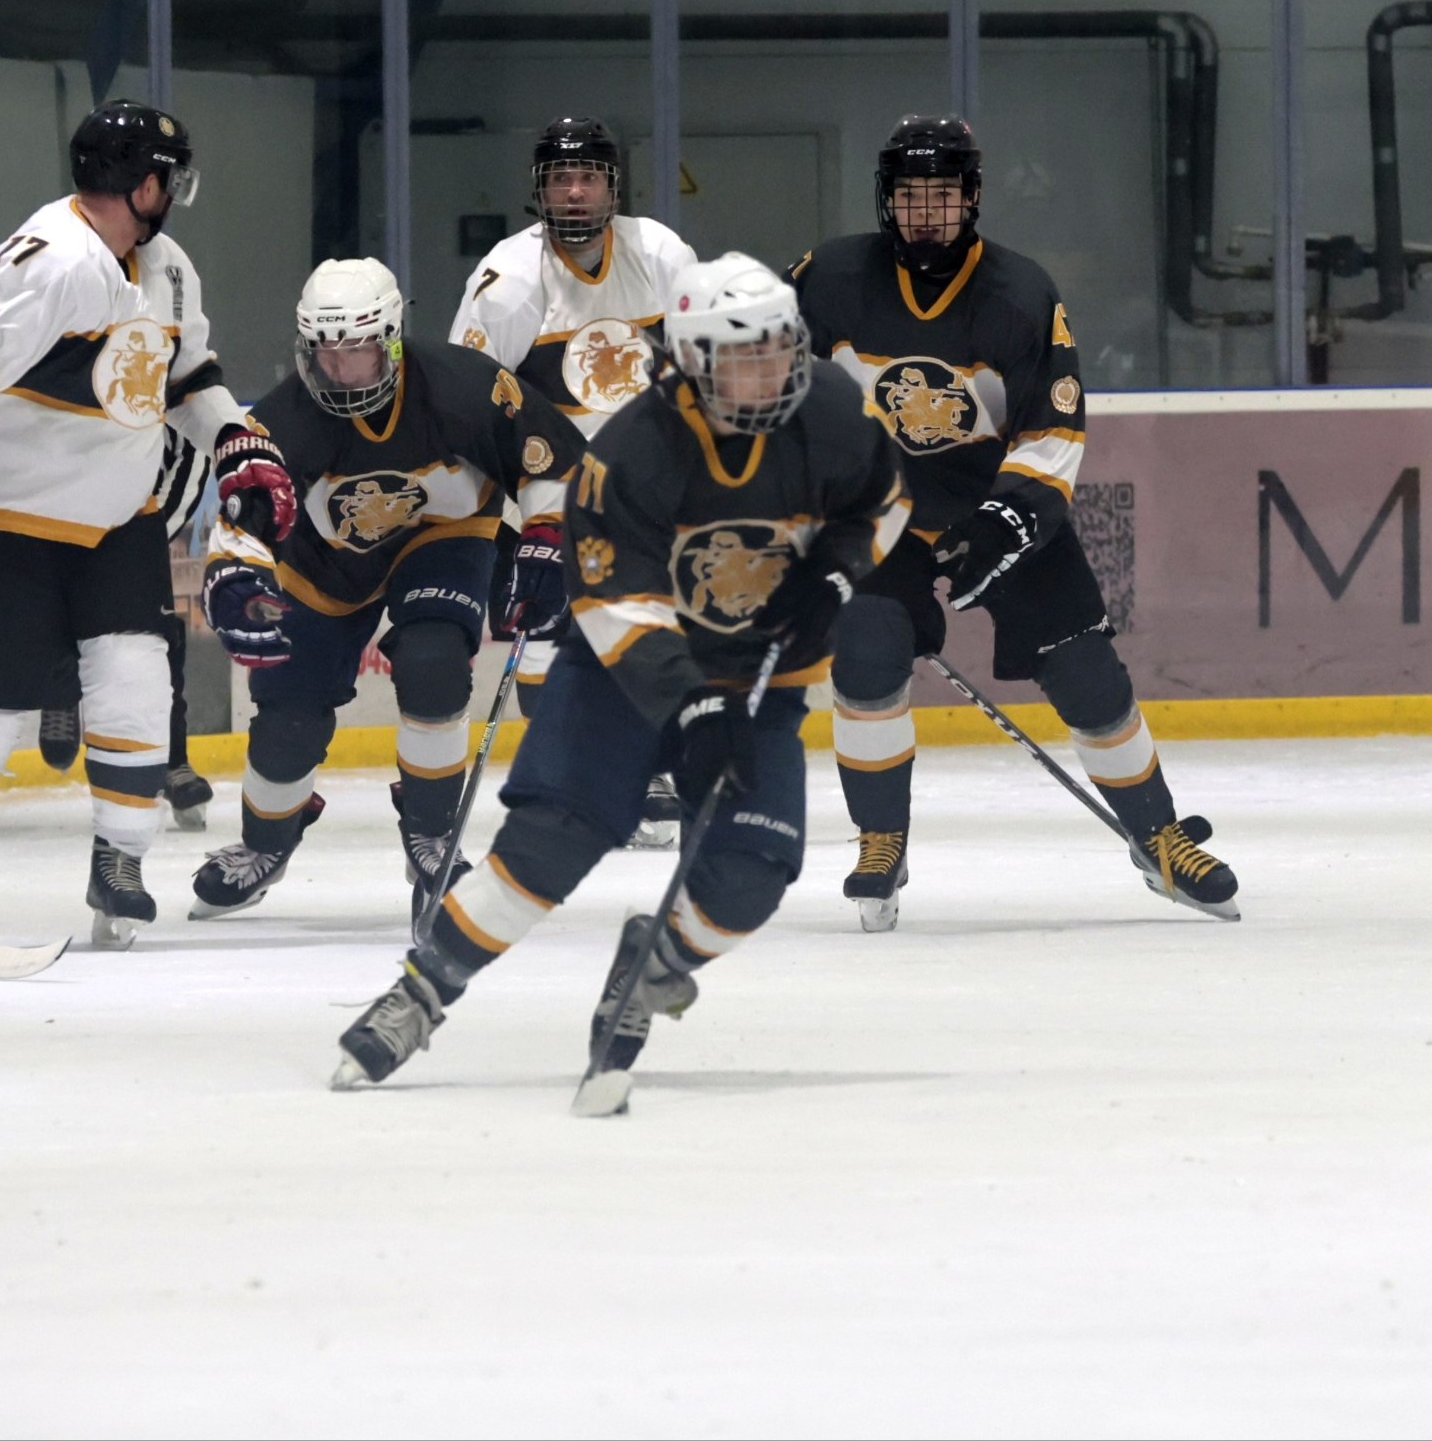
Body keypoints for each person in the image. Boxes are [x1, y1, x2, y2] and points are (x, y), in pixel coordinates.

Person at [332, 254, 909, 1101]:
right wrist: (693, 707)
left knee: (752, 872)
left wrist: (835, 572)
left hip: (758, 680)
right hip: (619, 679)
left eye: (779, 350)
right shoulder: (633, 451)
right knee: (547, 846)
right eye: (744, 358)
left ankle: (657, 960)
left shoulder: (828, 408)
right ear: (691, 363)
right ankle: (421, 991)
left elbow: (883, 498)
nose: (770, 373)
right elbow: (615, 604)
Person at [0, 99, 295, 950]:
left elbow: (186, 375)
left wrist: (233, 437)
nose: (173, 192)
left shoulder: (167, 268)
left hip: (122, 520)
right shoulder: (51, 259)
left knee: (136, 688)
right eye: (166, 177)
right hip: (10, 520)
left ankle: (119, 862)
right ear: (141, 183)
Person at [789, 114, 1237, 930]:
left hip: (994, 507)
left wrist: (1005, 519)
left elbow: (1051, 428)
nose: (927, 214)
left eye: (943, 195)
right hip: (877, 514)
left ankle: (1159, 837)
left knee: (1087, 674)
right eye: (911, 196)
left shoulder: (1019, 293)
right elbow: (770, 392)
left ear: (973, 198)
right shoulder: (829, 279)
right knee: (866, 658)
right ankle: (882, 838)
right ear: (886, 199)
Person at [188, 258, 585, 919]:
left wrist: (546, 537)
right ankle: (267, 842)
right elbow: (245, 519)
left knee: (434, 662)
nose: (341, 371)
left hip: (444, 534)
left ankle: (430, 834)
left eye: (358, 351)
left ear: (392, 341)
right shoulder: (284, 421)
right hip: (325, 560)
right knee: (287, 720)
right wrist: (233, 574)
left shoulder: (464, 385)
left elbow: (551, 460)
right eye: (327, 353)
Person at [450, 116, 697, 848]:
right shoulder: (509, 279)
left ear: (614, 187)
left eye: (589, 177)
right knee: (548, 638)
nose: (576, 192)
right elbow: (469, 395)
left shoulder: (661, 255)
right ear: (540, 189)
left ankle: (646, 771)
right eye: (561, 178)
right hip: (546, 495)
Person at [34, 426, 215, 829]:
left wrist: (139, 538)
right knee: (44, 606)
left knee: (154, 636)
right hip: (50, 517)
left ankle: (173, 760)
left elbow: (190, 461)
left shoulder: (172, 403)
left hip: (134, 529)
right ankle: (59, 684)